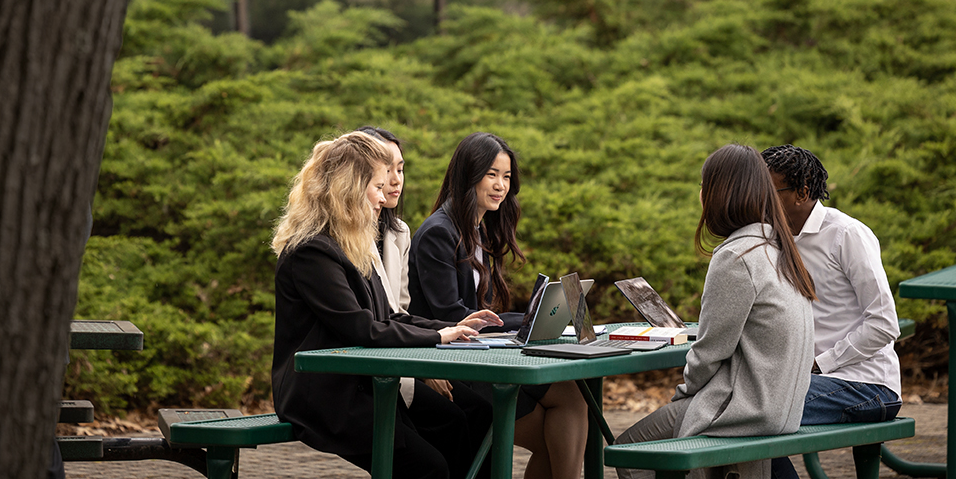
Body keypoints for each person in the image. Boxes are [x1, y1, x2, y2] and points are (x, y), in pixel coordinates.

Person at [271, 131, 503, 478]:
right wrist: (438, 338)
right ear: (350, 189)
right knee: (429, 466)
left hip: (365, 385)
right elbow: (361, 328)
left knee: (468, 423)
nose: (384, 198)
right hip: (326, 396)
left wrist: (452, 328)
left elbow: (391, 315)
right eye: (378, 187)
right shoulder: (312, 252)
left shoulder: (353, 243)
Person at [614, 144, 818, 479]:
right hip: (783, 408)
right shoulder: (779, 248)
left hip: (744, 410)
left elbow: (710, 353)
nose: (700, 194)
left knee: (628, 454)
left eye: (704, 185)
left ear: (720, 194)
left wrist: (683, 396)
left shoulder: (737, 256)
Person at [408, 131, 589, 479]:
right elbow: (454, 319)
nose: (500, 186)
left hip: (483, 355)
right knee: (558, 438)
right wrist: (525, 319)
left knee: (572, 396)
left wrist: (528, 321)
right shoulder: (437, 233)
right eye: (491, 174)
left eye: (506, 177)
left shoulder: (481, 232)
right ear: (468, 174)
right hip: (453, 367)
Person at [762, 144, 902, 478]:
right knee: (735, 405)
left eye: (768, 191)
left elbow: (884, 323)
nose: (759, 200)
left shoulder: (846, 235)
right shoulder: (771, 237)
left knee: (754, 412)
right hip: (803, 380)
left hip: (867, 386)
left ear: (802, 192)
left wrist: (818, 364)